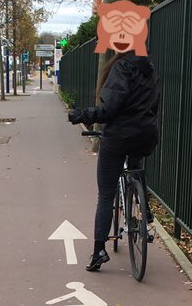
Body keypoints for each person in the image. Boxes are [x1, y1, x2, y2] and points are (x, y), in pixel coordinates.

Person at [68, 50, 160, 271]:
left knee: (106, 194)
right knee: (136, 165)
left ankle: (99, 251)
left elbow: (109, 109)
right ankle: (144, 212)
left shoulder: (121, 67)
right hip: (146, 134)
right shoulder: (151, 69)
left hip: (118, 137)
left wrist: (83, 115)